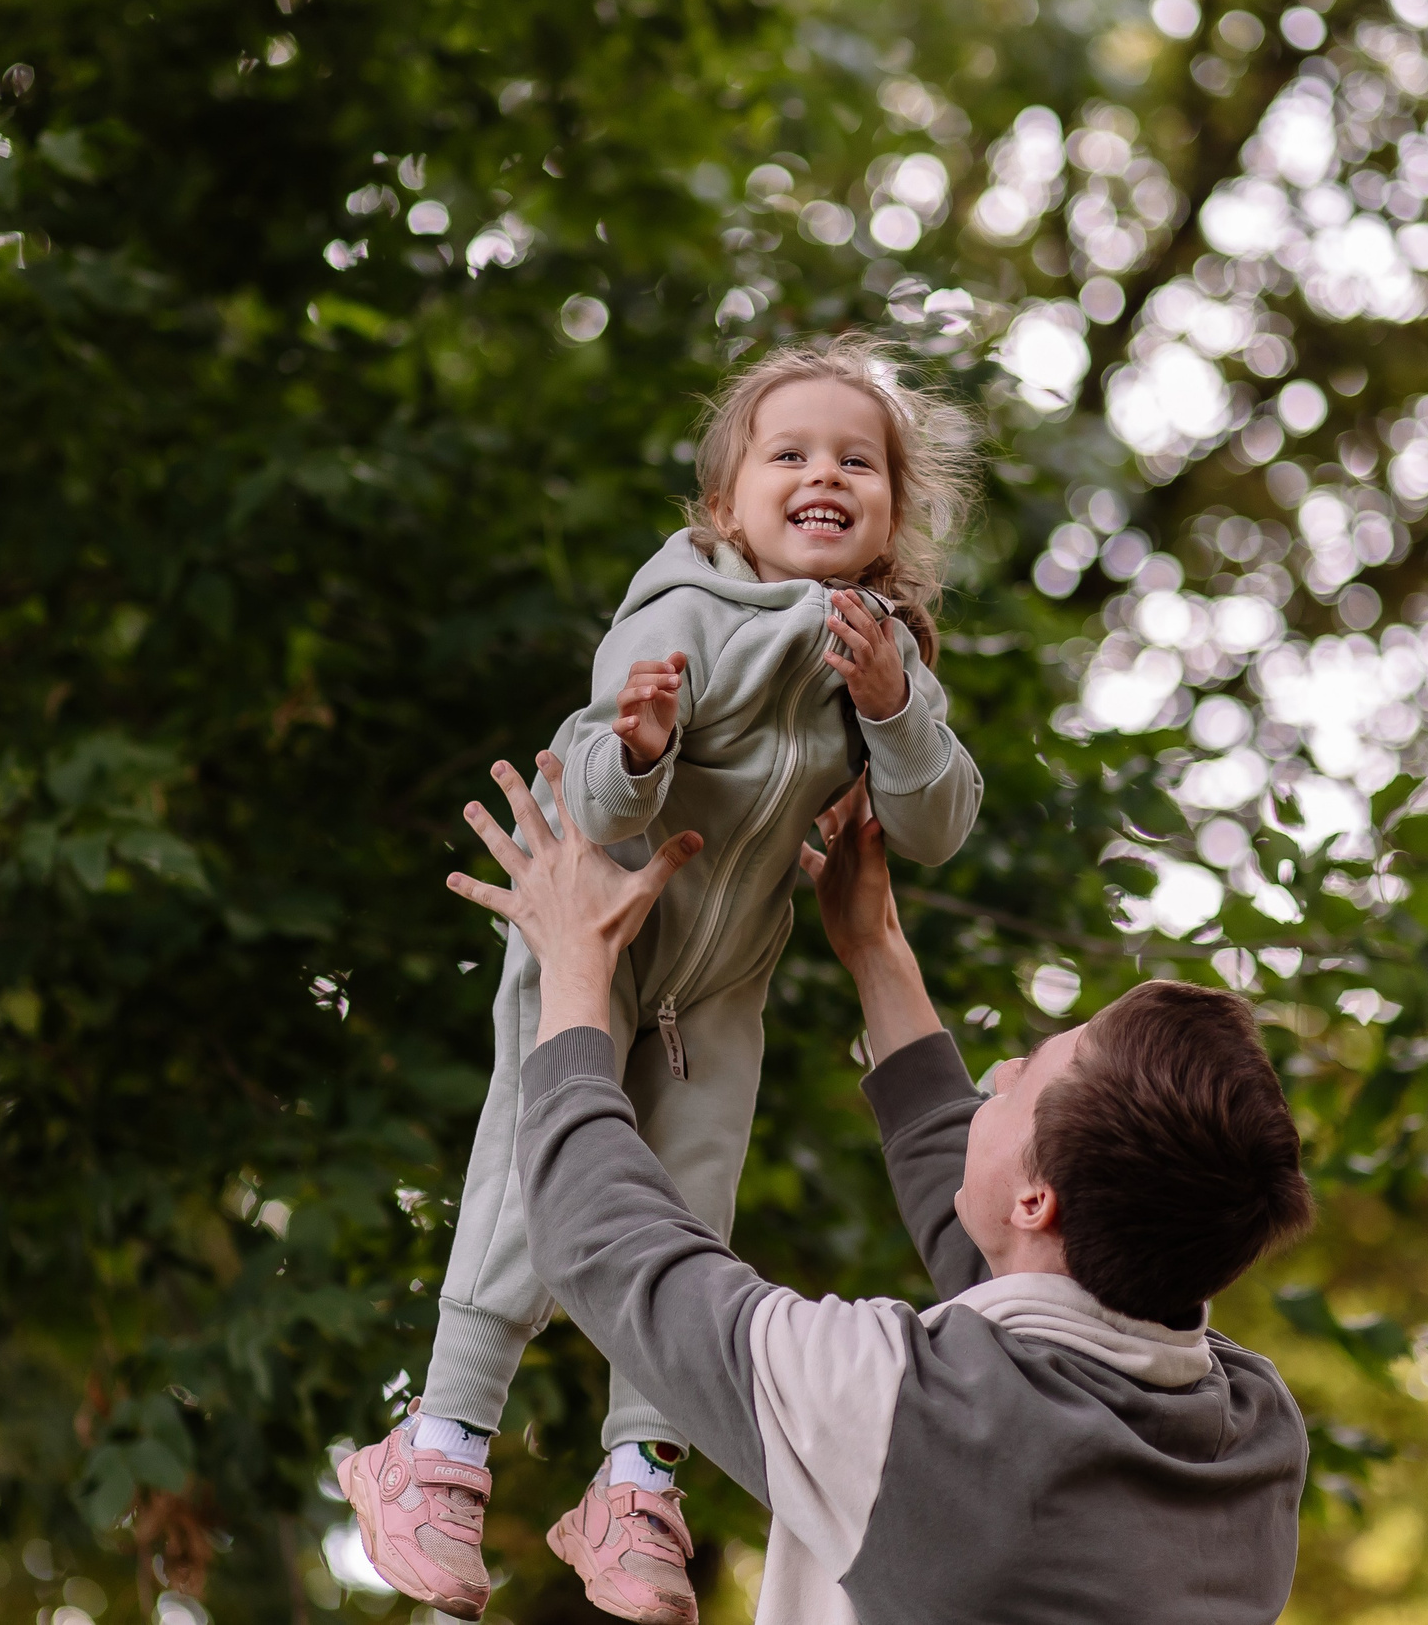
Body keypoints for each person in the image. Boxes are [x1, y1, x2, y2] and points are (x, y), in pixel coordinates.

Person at [339, 337, 984, 1623]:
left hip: (723, 983)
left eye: (858, 461)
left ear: (895, 515)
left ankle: (633, 1485)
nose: (825, 474)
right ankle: (439, 1444)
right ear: (725, 505)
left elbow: (935, 825)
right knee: (535, 1171)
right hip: (596, 932)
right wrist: (635, 749)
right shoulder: (681, 607)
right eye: (789, 453)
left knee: (690, 1209)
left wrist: (897, 699)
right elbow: (589, 771)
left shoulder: (881, 653)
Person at [404, 754, 1314, 1625]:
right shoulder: (1251, 1433)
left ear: (1040, 1200)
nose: (992, 1075)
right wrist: (873, 947)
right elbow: (1024, 1290)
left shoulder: (894, 1412)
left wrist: (574, 961)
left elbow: (605, 1243)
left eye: (1024, 1075)